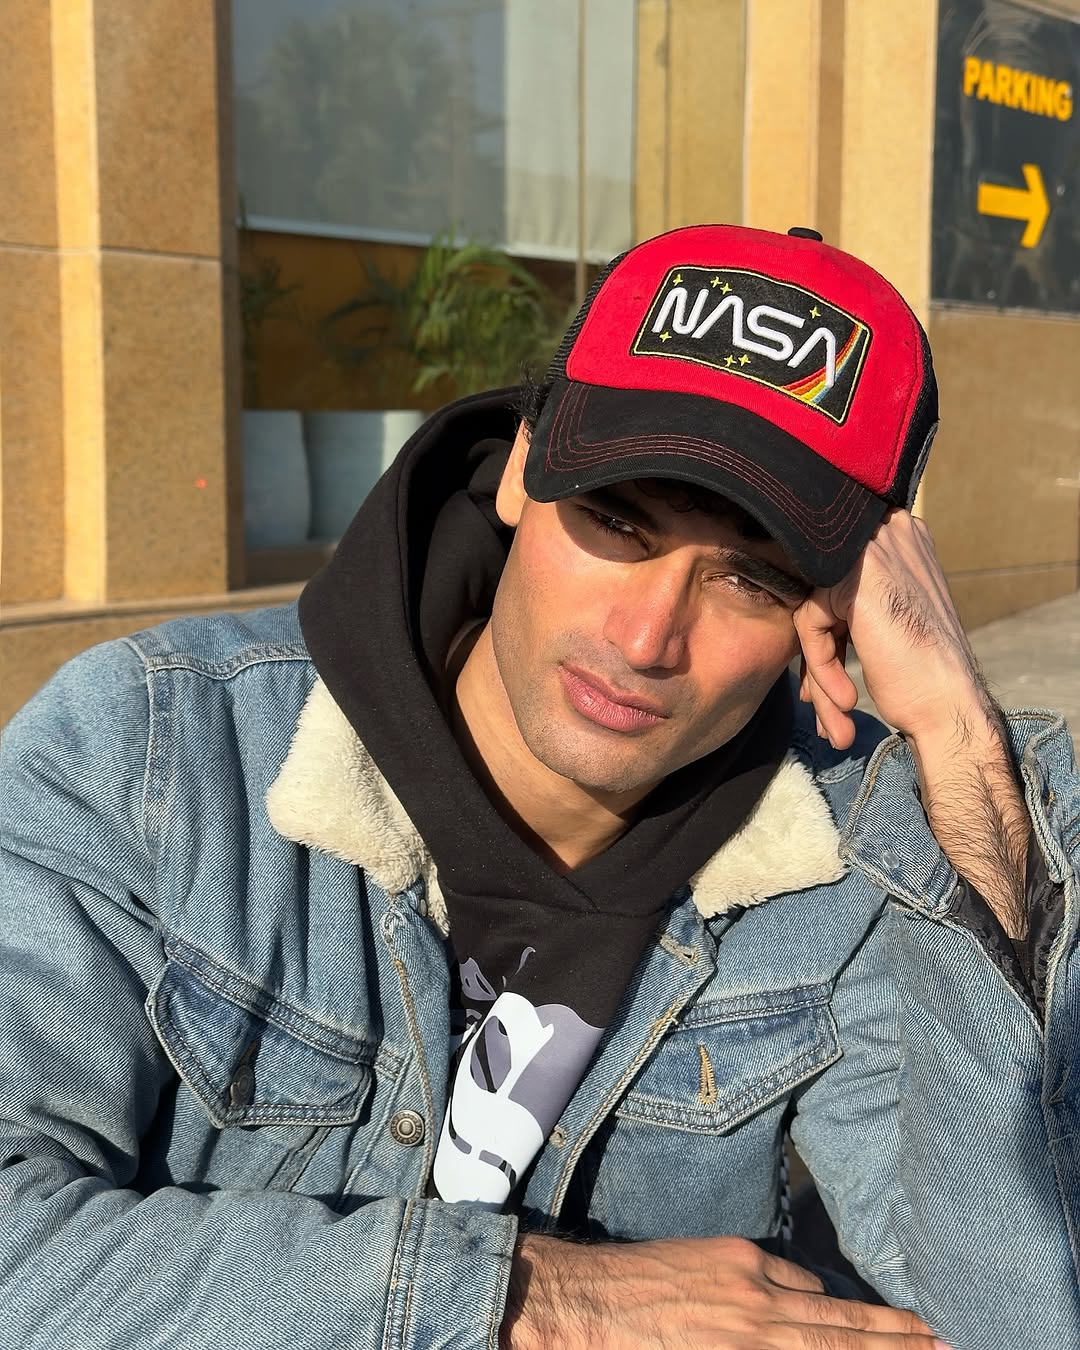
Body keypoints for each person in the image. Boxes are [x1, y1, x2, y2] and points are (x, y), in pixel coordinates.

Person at [0, 223, 1076, 1350]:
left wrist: (960, 740)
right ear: (521, 468)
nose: (647, 638)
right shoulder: (155, 751)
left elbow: (1022, 1314)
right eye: (617, 519)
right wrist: (532, 1301)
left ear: (835, 611)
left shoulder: (842, 868)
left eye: (751, 579)